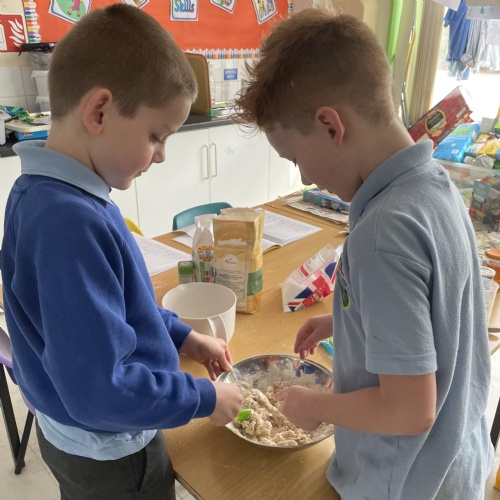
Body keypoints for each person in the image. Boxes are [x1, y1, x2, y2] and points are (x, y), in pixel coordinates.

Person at [234, 8, 493, 500]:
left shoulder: (382, 235)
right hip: (456, 462)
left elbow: (409, 411)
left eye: (295, 158)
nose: (305, 178)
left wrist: (314, 406)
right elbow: (437, 313)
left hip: (406, 483)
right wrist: (345, 319)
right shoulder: (435, 186)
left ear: (330, 125)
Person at [1, 5, 241, 499]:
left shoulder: (46, 193)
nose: (161, 155)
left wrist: (183, 338)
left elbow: (118, 310)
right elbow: (100, 392)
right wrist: (203, 397)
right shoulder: (69, 223)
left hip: (79, 434)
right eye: (156, 136)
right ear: (99, 112)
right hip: (113, 453)